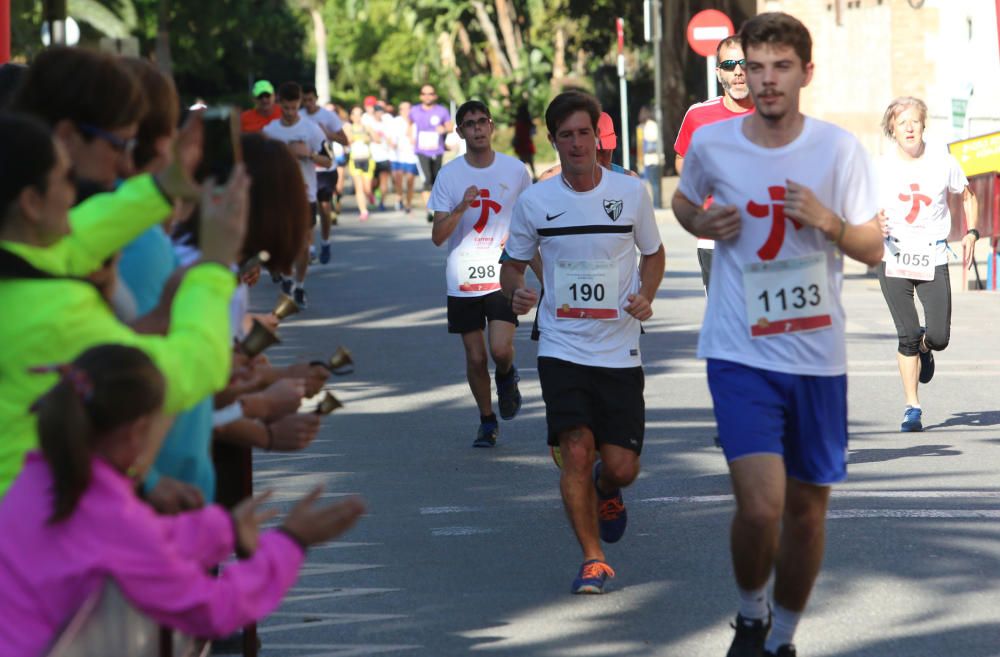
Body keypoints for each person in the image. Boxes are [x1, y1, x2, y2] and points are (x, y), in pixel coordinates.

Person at [671, 13, 884, 657]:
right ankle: (750, 614)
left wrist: (831, 224)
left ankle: (784, 638)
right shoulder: (714, 145)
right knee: (762, 509)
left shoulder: (836, 149)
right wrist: (702, 223)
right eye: (753, 66)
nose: (764, 80)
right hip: (739, 350)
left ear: (805, 74)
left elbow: (875, 246)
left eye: (779, 67)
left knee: (806, 513)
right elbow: (685, 202)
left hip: (816, 356)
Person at [0, 344, 365, 657]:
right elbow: (212, 610)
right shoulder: (112, 516)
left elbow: (143, 541)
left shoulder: (39, 476)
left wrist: (225, 529)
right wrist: (292, 542)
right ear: (137, 431)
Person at [0, 49, 245, 497]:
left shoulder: (22, 262)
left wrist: (163, 187)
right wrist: (214, 265)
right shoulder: (58, 312)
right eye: (64, 182)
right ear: (32, 203)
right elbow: (191, 368)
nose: (114, 175)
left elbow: (78, 239)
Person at [500, 91, 664, 594]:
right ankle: (593, 559)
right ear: (553, 141)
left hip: (618, 347)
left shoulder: (631, 194)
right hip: (561, 344)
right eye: (565, 135)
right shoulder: (535, 201)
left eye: (583, 133)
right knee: (575, 449)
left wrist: (645, 295)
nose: (575, 143)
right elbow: (511, 265)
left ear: (598, 137)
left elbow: (653, 255)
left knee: (621, 465)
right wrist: (518, 293)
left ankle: (606, 488)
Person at [429, 100, 531, 448]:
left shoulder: (516, 171)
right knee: (475, 356)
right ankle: (487, 420)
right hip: (462, 276)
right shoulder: (450, 175)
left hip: (503, 272)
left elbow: (529, 222)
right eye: (469, 124)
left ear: (491, 126)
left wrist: (535, 265)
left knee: (501, 350)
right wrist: (461, 207)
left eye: (482, 122)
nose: (477, 129)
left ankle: (506, 376)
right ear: (460, 132)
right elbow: (438, 236)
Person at [875, 96, 978, 432]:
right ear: (892, 128)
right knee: (905, 334)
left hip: (932, 256)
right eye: (901, 122)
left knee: (939, 335)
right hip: (892, 256)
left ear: (923, 126)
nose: (908, 127)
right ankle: (912, 407)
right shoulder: (880, 166)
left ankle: (926, 346)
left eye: (914, 122)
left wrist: (972, 232)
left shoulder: (942, 161)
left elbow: (968, 195)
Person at [674, 36, 756, 290]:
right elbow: (681, 159)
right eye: (730, 65)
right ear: (719, 71)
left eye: (745, 63)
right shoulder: (698, 115)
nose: (739, 71)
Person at [262, 81, 332, 309]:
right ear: (279, 104)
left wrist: (309, 154)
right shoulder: (269, 131)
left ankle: (298, 285)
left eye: (294, 108)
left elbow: (329, 160)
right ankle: (284, 274)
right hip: (277, 196)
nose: (290, 113)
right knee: (279, 242)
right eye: (286, 108)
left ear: (299, 103)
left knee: (302, 245)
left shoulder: (311, 129)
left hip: (305, 196)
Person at [301, 84, 348, 265]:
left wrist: (328, 133)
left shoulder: (328, 116)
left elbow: (345, 140)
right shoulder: (299, 116)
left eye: (311, 100)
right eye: (304, 101)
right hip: (307, 170)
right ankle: (311, 248)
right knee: (308, 210)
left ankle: (326, 242)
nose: (308, 104)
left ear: (316, 98)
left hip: (327, 169)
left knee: (325, 208)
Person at [537, 112, 636, 182]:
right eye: (593, 153)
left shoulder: (630, 181)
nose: (598, 161)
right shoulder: (549, 181)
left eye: (604, 152)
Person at [410, 84, 453, 222]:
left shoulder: (442, 110)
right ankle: (431, 210)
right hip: (421, 151)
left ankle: (436, 207)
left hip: (438, 150)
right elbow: (408, 124)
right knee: (427, 179)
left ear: (435, 95)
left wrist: (444, 130)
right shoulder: (415, 110)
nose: (427, 96)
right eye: (424, 93)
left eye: (430, 93)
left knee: (436, 180)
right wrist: (409, 136)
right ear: (421, 96)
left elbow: (450, 126)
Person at [346, 105, 376, 221]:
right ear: (351, 116)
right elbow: (347, 141)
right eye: (355, 114)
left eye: (360, 114)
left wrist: (369, 137)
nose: (357, 117)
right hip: (355, 160)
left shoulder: (367, 127)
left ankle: (370, 195)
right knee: (359, 188)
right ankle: (363, 211)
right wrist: (353, 137)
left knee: (367, 188)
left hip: (367, 159)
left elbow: (377, 139)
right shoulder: (348, 128)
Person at [389, 100, 419, 214]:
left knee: (410, 181)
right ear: (399, 110)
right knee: (398, 181)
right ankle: (399, 196)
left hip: (411, 156)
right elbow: (391, 137)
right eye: (402, 109)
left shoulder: (416, 123)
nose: (405, 111)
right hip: (397, 156)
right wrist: (392, 143)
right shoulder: (395, 121)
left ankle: (408, 203)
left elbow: (416, 139)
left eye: (408, 108)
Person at [638, 106, 662, 209]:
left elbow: (652, 144)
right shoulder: (647, 126)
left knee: (654, 184)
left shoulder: (650, 126)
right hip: (649, 160)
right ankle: (655, 204)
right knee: (653, 183)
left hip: (652, 159)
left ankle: (656, 204)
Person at [512, 102, 537, 180]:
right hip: (528, 144)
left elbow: (517, 135)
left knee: (522, 163)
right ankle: (534, 176)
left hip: (521, 146)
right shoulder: (529, 123)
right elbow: (534, 133)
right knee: (531, 162)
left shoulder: (518, 123)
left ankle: (522, 178)